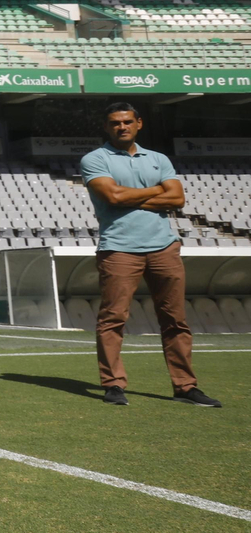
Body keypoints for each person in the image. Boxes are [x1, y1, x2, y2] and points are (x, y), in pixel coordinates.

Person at [80, 102, 220, 408]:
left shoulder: (158, 159)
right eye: (115, 123)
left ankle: (185, 386)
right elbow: (113, 196)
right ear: (106, 127)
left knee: (175, 320)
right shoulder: (94, 159)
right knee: (113, 319)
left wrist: (130, 197)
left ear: (139, 123)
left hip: (164, 247)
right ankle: (114, 384)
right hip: (118, 249)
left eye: (127, 121)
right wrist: (156, 192)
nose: (122, 127)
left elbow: (178, 198)